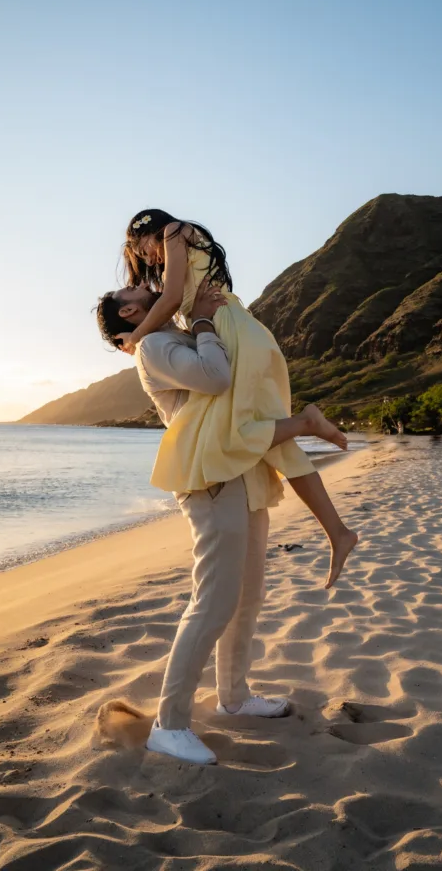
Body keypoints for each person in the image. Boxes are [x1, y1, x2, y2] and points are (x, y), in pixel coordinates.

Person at [95, 279, 299, 765]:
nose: (145, 285)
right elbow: (215, 377)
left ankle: (233, 696)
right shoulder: (154, 346)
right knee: (213, 601)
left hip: (240, 467)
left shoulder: (177, 332)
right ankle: (170, 724)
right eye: (133, 290)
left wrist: (206, 317)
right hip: (208, 479)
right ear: (128, 315)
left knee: (248, 594)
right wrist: (204, 321)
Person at [113, 208, 357, 589]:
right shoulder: (178, 246)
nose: (148, 259)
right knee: (271, 442)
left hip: (232, 331)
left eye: (142, 250)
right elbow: (174, 297)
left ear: (149, 231)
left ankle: (308, 422)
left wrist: (136, 335)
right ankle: (338, 532)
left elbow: (174, 297)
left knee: (234, 433)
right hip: (238, 330)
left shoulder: (176, 231)